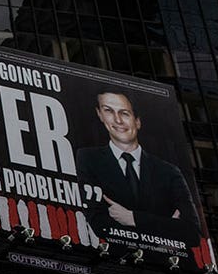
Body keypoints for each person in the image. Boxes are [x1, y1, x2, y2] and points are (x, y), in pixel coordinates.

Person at [75, 92, 200, 247]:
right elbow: (100, 225)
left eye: (124, 113)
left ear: (138, 121)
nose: (118, 120)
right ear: (99, 114)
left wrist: (132, 218)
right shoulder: (88, 158)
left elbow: (192, 233)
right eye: (108, 111)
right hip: (116, 259)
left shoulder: (169, 172)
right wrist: (166, 225)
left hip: (164, 263)